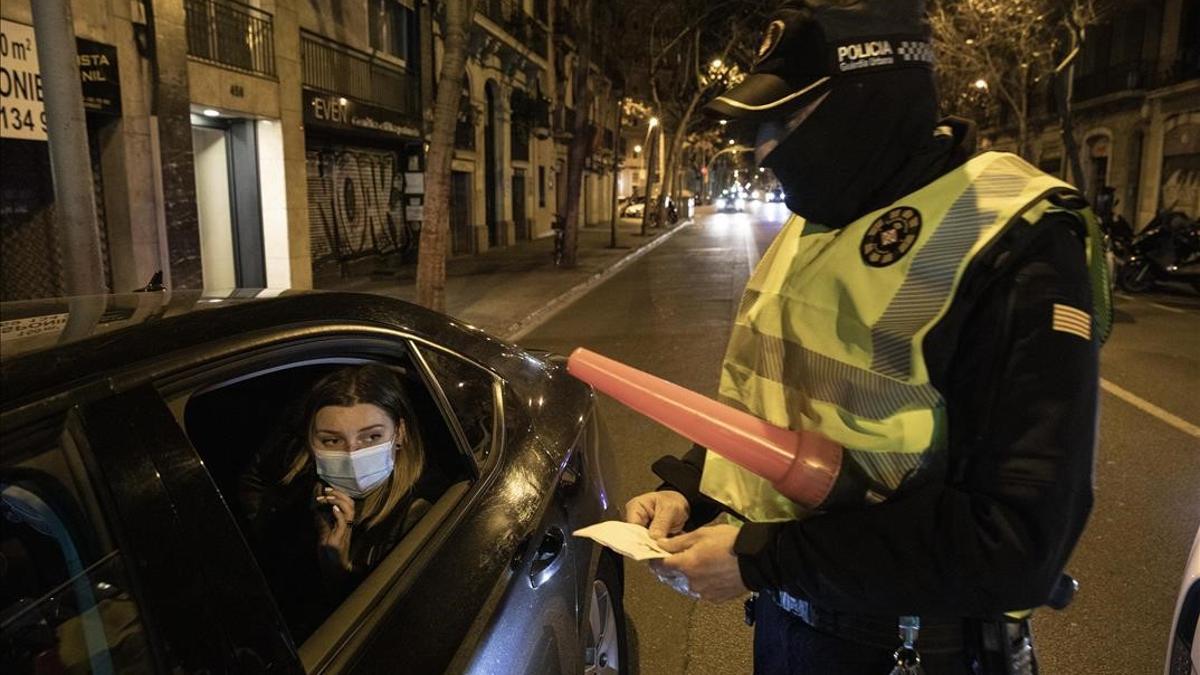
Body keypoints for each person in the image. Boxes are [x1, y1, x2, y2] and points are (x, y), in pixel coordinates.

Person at [623, 2, 1112, 673]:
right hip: (789, 627)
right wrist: (694, 489)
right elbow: (787, 413)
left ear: (873, 100)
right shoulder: (819, 221)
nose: (766, 151)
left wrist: (760, 557)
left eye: (786, 122)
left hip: (915, 652)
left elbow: (1014, 544)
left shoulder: (1016, 245)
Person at [238, 364, 432, 640]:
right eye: (331, 440)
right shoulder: (300, 481)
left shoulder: (417, 514)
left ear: (398, 433)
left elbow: (389, 633)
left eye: (372, 437)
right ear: (310, 440)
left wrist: (340, 572)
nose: (352, 453)